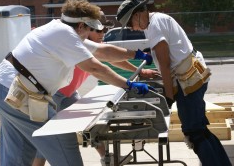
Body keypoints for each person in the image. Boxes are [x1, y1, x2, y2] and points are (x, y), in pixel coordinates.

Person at [0, 0, 154, 166]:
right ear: (81, 26)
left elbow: (103, 52)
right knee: (60, 136)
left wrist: (135, 54)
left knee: (19, 153)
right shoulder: (65, 35)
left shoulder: (60, 30)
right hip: (16, 90)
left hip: (7, 88)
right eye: (91, 29)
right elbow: (95, 68)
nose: (93, 34)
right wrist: (128, 85)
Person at [32, 11, 159, 166]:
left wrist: (139, 68)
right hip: (56, 94)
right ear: (85, 28)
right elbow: (98, 68)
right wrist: (128, 83)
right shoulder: (75, 44)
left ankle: (107, 157)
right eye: (99, 30)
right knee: (51, 138)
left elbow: (113, 58)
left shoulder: (94, 46)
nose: (103, 34)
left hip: (69, 93)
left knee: (91, 124)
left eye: (105, 30)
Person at [116, 0, 232, 166]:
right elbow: (165, 54)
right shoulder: (154, 21)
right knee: (200, 129)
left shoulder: (154, 26)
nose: (131, 28)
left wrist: (168, 98)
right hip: (192, 75)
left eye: (130, 23)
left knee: (194, 133)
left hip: (188, 80)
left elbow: (165, 64)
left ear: (139, 14)